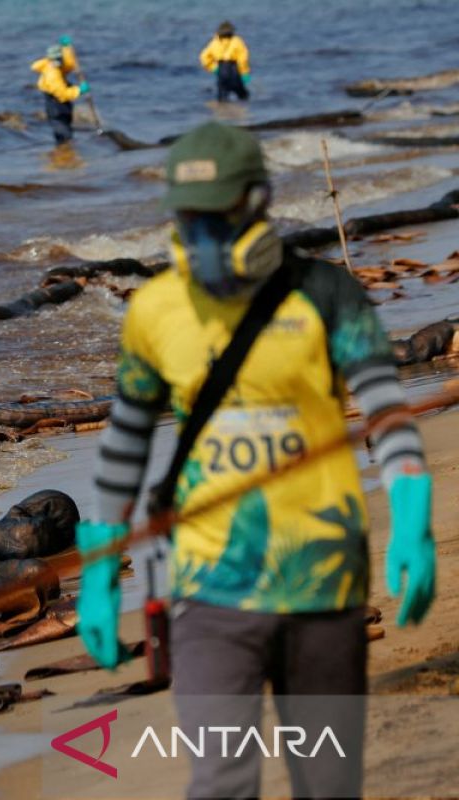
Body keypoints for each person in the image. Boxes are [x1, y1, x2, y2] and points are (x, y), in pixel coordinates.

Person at [76, 122, 434, 797]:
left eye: (219, 214)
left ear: (259, 202)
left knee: (328, 785)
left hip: (324, 585)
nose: (205, 232)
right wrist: (99, 571)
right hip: (209, 591)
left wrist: (412, 511)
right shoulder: (154, 311)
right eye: (189, 217)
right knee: (221, 783)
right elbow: (125, 440)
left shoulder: (328, 295)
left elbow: (385, 409)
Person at [31, 36, 89, 144]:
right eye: (56, 60)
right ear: (50, 59)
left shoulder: (58, 64)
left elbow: (70, 62)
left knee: (67, 122)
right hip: (55, 103)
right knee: (63, 133)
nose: (58, 62)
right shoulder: (52, 74)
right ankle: (63, 151)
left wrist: (66, 47)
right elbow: (62, 95)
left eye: (59, 59)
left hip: (62, 103)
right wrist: (79, 90)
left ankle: (66, 151)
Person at [200, 21, 251, 102]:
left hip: (221, 68)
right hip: (234, 69)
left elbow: (204, 57)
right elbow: (243, 59)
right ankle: (244, 109)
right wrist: (245, 73)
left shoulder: (215, 42)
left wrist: (213, 68)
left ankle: (221, 112)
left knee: (222, 96)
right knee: (242, 93)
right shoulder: (237, 41)